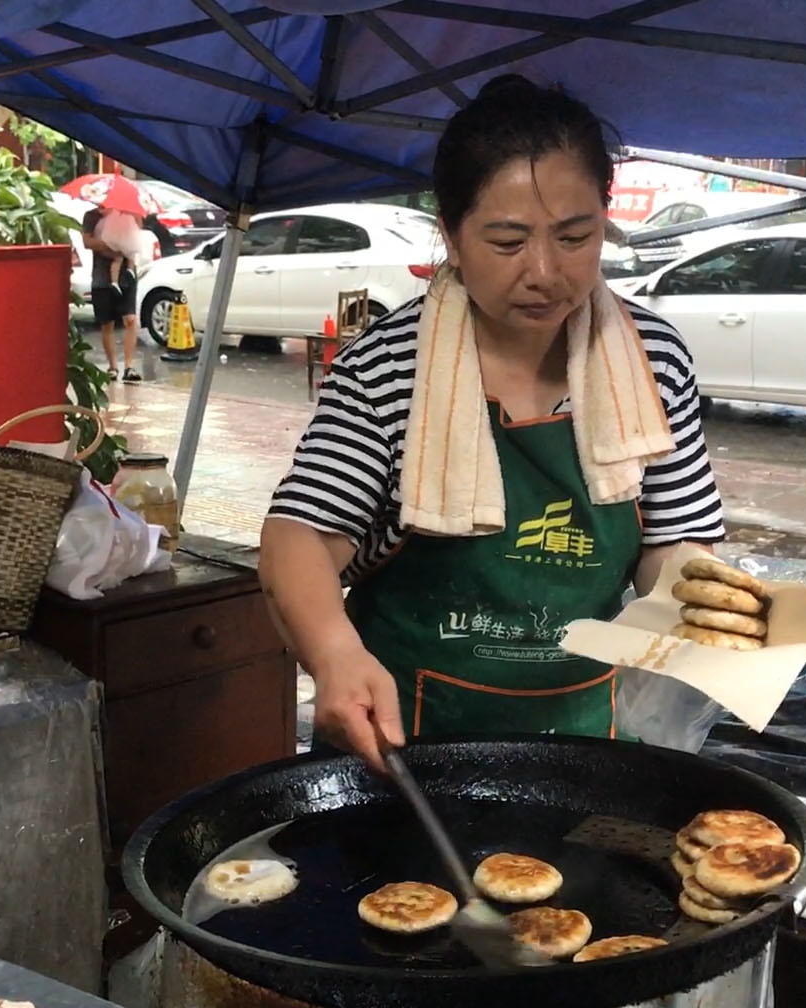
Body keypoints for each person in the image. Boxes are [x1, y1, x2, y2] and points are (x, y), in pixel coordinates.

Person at [259, 75, 727, 770]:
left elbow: (672, 544)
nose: (545, 271)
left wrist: (718, 606)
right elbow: (300, 539)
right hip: (407, 751)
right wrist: (333, 651)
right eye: (508, 242)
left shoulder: (651, 358)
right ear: (449, 234)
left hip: (586, 750)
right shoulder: (392, 367)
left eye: (575, 236)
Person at [82, 204, 142, 382]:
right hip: (102, 277)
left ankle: (129, 366)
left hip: (127, 275)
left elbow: (136, 232)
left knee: (130, 319)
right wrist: (109, 245)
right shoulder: (91, 216)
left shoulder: (127, 212)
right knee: (107, 323)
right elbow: (87, 242)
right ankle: (113, 366)